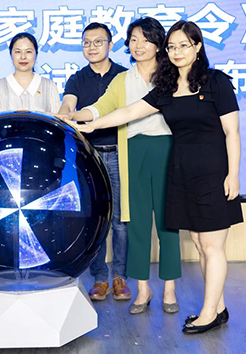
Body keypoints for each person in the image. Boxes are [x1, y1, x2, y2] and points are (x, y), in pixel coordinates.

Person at [70, 21, 243, 334]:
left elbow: (232, 131)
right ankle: (218, 308)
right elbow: (129, 112)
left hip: (213, 172)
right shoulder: (167, 87)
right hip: (183, 172)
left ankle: (208, 314)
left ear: (198, 47)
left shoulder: (216, 81)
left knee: (212, 246)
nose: (177, 52)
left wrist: (233, 174)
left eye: (184, 46)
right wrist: (92, 125)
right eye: (172, 47)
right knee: (200, 244)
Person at [62, 18, 182, 313]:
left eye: (145, 39)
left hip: (167, 149)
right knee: (136, 223)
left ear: (158, 44)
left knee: (168, 223)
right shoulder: (122, 80)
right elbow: (99, 108)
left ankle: (170, 290)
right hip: (133, 151)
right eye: (134, 39)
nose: (138, 45)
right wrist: (74, 116)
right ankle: (142, 290)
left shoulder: (172, 75)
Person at [58, 23, 130, 301]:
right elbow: (69, 104)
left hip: (120, 153)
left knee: (120, 220)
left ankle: (120, 277)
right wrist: (64, 114)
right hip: (89, 156)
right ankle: (100, 278)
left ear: (110, 45)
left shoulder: (124, 75)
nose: (92, 47)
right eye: (86, 42)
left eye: (98, 42)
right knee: (96, 219)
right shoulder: (77, 78)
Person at [0, 32, 60, 114]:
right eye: (18, 52)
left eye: (28, 52)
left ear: (36, 54)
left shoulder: (49, 86)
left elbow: (56, 119)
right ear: (11, 54)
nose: (23, 57)